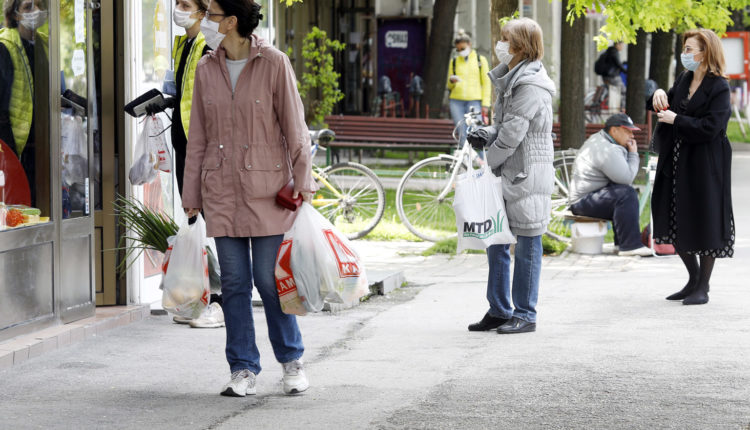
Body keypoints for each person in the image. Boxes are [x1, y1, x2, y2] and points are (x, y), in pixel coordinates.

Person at [181, 0, 316, 396]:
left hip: (271, 192)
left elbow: (296, 128)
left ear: (232, 21)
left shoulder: (274, 63)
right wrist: (191, 194)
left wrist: (304, 183)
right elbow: (198, 137)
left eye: (212, 14)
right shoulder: (206, 69)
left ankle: (292, 361)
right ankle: (242, 368)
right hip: (221, 191)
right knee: (236, 284)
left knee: (270, 281)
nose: (206, 21)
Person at [465, 17, 555, 334]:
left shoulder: (530, 85)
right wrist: (484, 134)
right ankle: (500, 309)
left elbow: (513, 135)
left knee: (528, 244)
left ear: (520, 46)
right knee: (497, 240)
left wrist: (487, 160)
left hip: (526, 173)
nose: (500, 44)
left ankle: (525, 313)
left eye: (505, 39)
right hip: (510, 170)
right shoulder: (512, 79)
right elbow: (503, 128)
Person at [649, 28, 734, 306]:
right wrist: (659, 93)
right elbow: (666, 110)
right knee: (673, 214)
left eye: (688, 49)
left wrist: (678, 121)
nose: (684, 54)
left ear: (704, 52)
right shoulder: (684, 79)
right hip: (676, 161)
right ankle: (693, 278)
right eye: (684, 48)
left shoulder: (719, 86)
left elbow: (712, 127)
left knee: (704, 218)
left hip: (706, 163)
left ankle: (703, 286)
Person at [567, 113, 653, 257]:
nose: (632, 135)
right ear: (614, 130)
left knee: (621, 193)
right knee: (626, 194)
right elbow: (626, 179)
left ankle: (621, 244)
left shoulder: (602, 141)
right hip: (582, 202)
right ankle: (630, 246)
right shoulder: (605, 149)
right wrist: (633, 154)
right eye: (628, 131)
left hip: (586, 198)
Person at [0, 0, 48, 206]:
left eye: (39, 5)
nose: (35, 11)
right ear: (15, 14)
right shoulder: (5, 47)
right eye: (28, 6)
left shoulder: (45, 45)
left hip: (41, 146)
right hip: (17, 150)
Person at [447, 30, 491, 143]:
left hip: (474, 101)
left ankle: (481, 160)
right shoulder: (454, 61)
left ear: (469, 45)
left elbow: (486, 83)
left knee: (477, 132)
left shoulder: (480, 60)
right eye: (458, 49)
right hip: (456, 101)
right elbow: (449, 85)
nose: (460, 51)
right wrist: (452, 81)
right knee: (462, 132)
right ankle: (466, 160)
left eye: (463, 48)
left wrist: (486, 104)